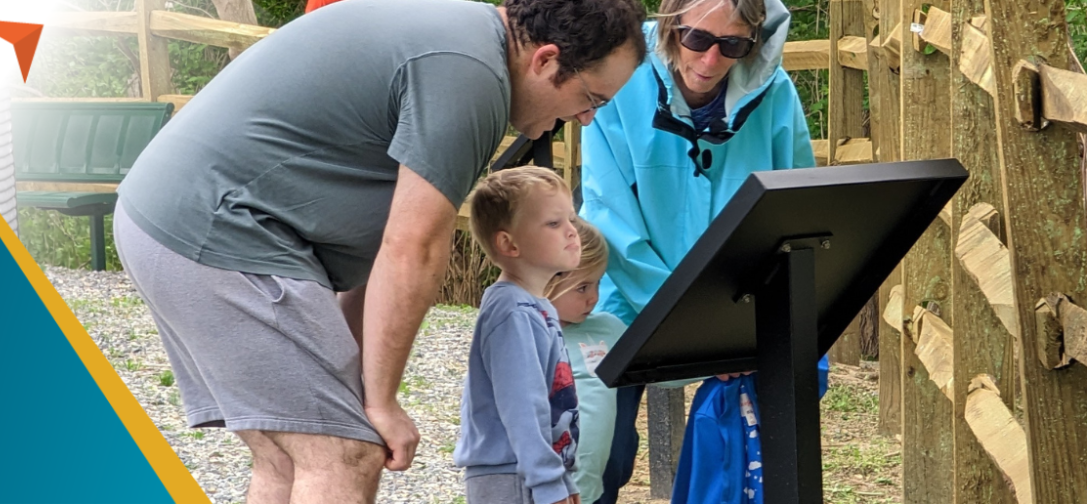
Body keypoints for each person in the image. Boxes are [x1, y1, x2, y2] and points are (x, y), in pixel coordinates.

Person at [110, 0, 646, 501]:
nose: (587, 119)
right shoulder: (471, 75)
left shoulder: (464, 46)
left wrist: (360, 380)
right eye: (592, 98)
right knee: (346, 453)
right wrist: (379, 402)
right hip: (220, 230)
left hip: (178, 218)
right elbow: (413, 245)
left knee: (288, 457)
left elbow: (379, 253)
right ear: (547, 60)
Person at [573, 0, 826, 500]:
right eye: (696, 40)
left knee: (755, 461)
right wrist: (693, 325)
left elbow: (798, 205)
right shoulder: (620, 76)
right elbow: (608, 216)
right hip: (625, 298)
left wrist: (729, 326)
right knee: (601, 455)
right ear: (671, 25)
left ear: (752, 42)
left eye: (732, 46)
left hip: (736, 311)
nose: (709, 62)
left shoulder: (776, 92)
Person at [455, 166, 585, 504]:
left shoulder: (535, 305)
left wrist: (564, 479)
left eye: (571, 220)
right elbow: (523, 405)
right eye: (554, 224)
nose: (572, 231)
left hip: (528, 472)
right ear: (508, 243)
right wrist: (547, 482)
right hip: (511, 476)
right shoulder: (512, 311)